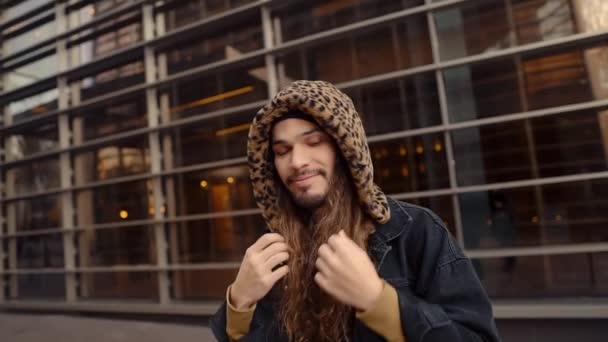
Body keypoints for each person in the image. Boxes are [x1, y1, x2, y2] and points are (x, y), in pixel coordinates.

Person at [210, 80, 501, 342]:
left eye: (314, 142)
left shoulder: (415, 230)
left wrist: (379, 301)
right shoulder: (275, 249)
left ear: (345, 149)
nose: (297, 161)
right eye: (282, 151)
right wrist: (240, 302)